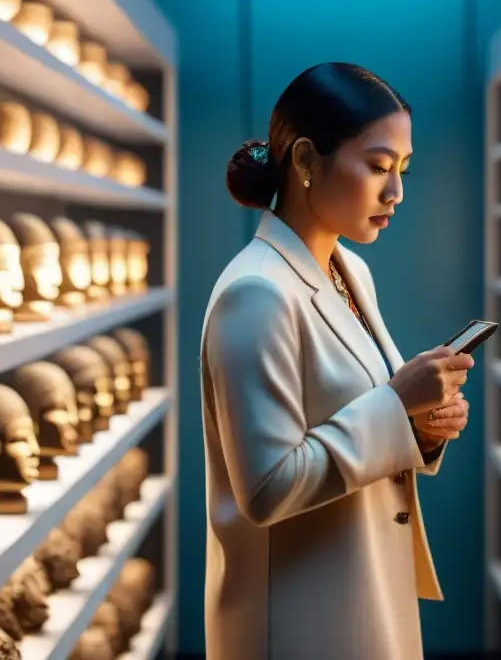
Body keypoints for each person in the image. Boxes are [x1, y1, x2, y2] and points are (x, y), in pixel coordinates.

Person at [200, 62, 474, 660]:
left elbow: (358, 420)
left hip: (366, 585)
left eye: (402, 170)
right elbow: (266, 488)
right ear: (304, 161)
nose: (396, 192)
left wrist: (420, 425)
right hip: (298, 614)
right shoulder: (257, 292)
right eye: (378, 167)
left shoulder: (352, 271)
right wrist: (396, 404)